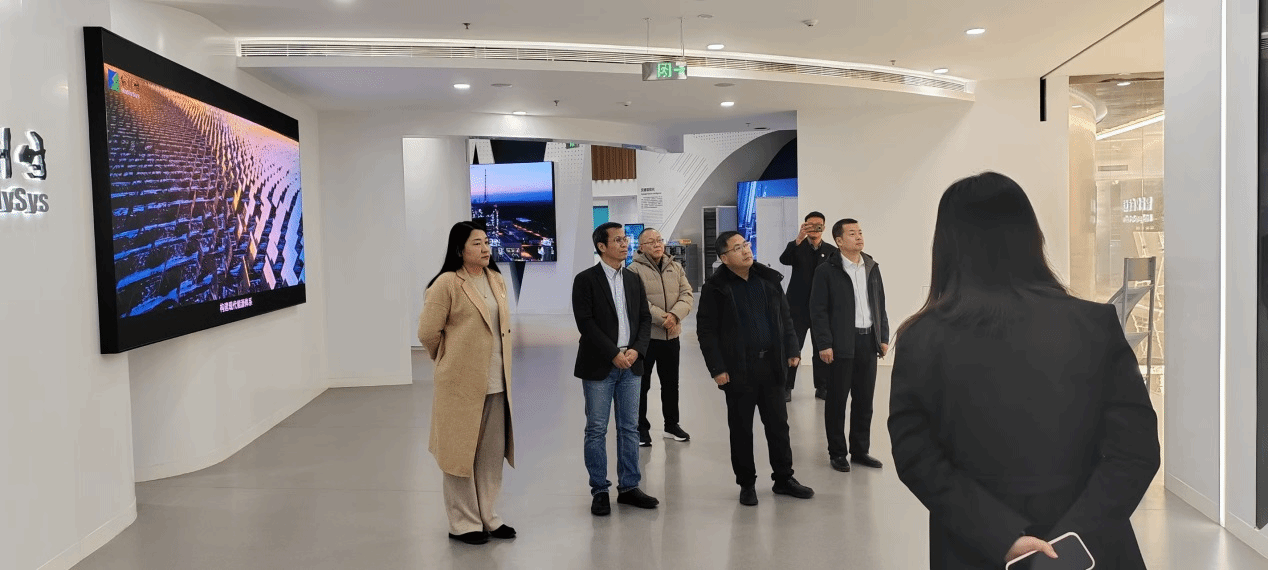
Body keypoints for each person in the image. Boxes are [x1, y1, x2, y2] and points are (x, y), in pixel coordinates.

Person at [887, 172, 1160, 569]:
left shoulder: (920, 338)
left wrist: (1002, 536)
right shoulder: (1093, 325)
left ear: (945, 245)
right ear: (1032, 236)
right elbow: (1135, 450)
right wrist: (1069, 543)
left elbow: (917, 457)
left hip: (974, 549)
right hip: (1089, 551)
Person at [417, 221, 517, 545]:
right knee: (459, 454)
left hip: (497, 381)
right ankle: (463, 523)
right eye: (477, 243)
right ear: (460, 249)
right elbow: (427, 332)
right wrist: (447, 359)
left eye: (486, 242)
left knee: (490, 456)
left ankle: (488, 516)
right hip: (459, 384)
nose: (485, 248)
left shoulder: (496, 279)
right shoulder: (446, 283)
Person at [698, 231, 815, 506]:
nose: (746, 250)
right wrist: (717, 368)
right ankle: (746, 483)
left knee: (778, 426)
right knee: (741, 429)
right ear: (724, 258)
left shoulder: (767, 279)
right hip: (738, 369)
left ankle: (784, 478)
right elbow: (707, 332)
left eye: (746, 245)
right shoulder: (716, 288)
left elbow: (785, 317)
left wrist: (793, 349)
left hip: (771, 365)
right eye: (738, 248)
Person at [572, 222, 658, 516]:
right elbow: (586, 323)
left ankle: (629, 487)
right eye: (618, 240)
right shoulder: (585, 280)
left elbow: (644, 318)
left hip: (632, 365)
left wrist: (637, 350)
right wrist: (613, 354)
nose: (625, 244)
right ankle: (599, 490)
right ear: (601, 246)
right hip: (600, 364)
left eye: (625, 239)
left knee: (629, 428)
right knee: (596, 429)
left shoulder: (633, 279)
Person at [809, 218, 889, 473]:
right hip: (841, 342)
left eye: (860, 232)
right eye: (852, 233)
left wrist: (883, 336)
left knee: (864, 400)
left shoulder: (871, 267)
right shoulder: (826, 270)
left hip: (868, 341)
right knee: (837, 401)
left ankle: (860, 451)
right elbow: (818, 310)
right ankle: (837, 453)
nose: (859, 237)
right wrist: (824, 343)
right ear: (839, 241)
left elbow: (880, 304)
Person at [627, 228, 695, 447]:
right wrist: (662, 317)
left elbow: (687, 294)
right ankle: (640, 428)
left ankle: (671, 425)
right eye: (651, 241)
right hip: (645, 338)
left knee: (671, 383)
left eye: (659, 240)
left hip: (671, 336)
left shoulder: (675, 266)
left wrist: (675, 315)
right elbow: (637, 301)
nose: (657, 244)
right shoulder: (633, 270)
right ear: (641, 247)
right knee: (642, 384)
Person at [779, 211, 839, 402]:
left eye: (818, 225)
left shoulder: (832, 251)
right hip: (797, 307)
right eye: (810, 225)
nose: (814, 228)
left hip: (822, 309)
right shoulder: (798, 247)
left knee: (821, 347)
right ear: (804, 226)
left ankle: (822, 387)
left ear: (824, 227)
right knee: (792, 347)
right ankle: (786, 387)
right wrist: (799, 238)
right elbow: (784, 259)